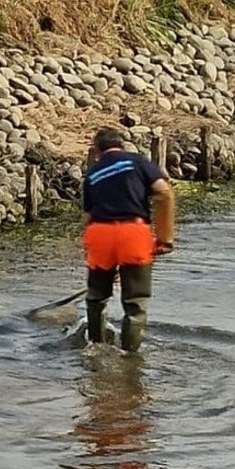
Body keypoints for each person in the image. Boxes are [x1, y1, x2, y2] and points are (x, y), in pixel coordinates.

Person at [82, 127, 175, 353]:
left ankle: (96, 348)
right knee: (136, 303)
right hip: (133, 233)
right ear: (122, 145)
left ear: (97, 151)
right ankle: (130, 358)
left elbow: (88, 218)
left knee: (96, 298)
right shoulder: (137, 161)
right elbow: (164, 193)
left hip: (100, 234)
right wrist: (165, 238)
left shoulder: (92, 174)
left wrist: (109, 261)